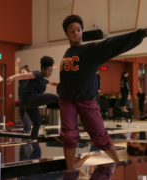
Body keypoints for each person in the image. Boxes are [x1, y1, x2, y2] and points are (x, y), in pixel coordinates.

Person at [57, 14, 147, 171]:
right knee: (69, 135)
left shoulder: (90, 50)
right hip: (67, 100)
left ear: (82, 31)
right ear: (66, 33)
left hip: (87, 100)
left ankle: (118, 163)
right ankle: (70, 170)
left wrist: (141, 33)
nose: (75, 33)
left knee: (100, 135)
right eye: (71, 30)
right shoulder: (67, 53)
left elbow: (112, 44)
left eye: (78, 30)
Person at [7, 56, 59, 142]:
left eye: (51, 71)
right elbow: (24, 75)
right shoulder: (37, 74)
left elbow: (53, 83)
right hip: (28, 99)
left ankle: (33, 140)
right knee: (53, 97)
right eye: (49, 71)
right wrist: (12, 77)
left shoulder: (43, 80)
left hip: (30, 104)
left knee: (37, 122)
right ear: (43, 69)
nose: (50, 73)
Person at [15, 57, 31, 133]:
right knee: (21, 115)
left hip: (27, 99)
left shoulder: (29, 78)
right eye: (21, 72)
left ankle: (27, 129)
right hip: (21, 99)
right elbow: (16, 72)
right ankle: (26, 128)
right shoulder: (20, 79)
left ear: (27, 72)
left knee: (25, 116)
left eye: (23, 72)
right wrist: (16, 63)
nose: (22, 73)